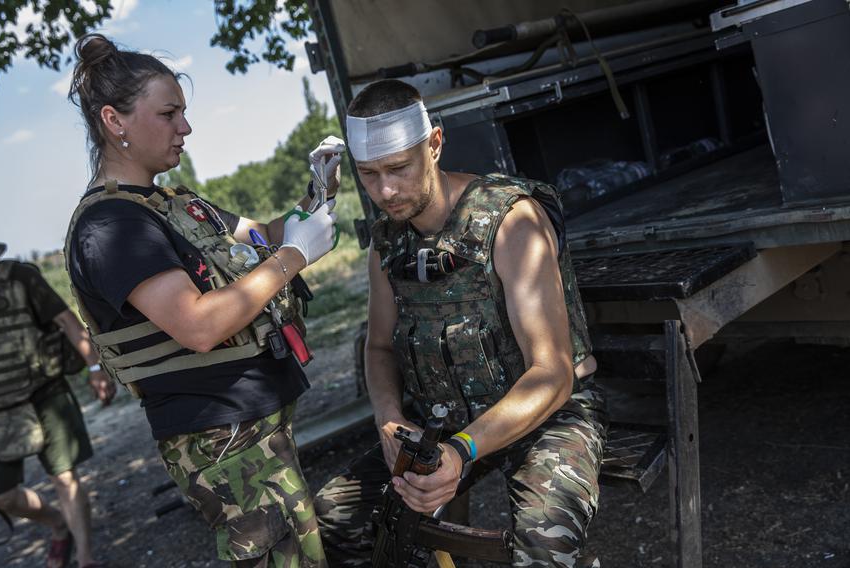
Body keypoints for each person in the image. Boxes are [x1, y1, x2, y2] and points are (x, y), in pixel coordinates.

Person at [63, 34, 339, 567]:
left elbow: (264, 234)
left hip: (252, 419)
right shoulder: (110, 225)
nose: (185, 128)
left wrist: (316, 193)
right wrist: (293, 259)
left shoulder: (172, 202)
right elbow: (197, 325)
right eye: (169, 114)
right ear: (114, 122)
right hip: (220, 438)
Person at [313, 79, 608, 567]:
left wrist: (461, 450)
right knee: (337, 520)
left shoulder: (510, 221)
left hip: (546, 414)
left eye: (398, 169)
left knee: (543, 543)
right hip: (446, 420)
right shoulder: (387, 242)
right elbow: (379, 348)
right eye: (368, 175)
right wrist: (390, 421)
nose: (385, 190)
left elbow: (552, 373)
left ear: (434, 145)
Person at [0, 223, 116, 568]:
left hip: (44, 392)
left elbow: (67, 322)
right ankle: (57, 524)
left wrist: (95, 368)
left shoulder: (20, 277)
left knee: (65, 478)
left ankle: (86, 558)